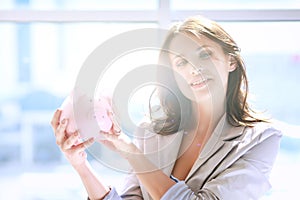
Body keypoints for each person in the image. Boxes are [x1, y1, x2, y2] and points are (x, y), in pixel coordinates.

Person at [51, 15, 282, 200]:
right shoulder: (151, 132)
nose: (194, 69)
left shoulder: (261, 140)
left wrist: (130, 151)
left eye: (205, 55)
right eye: (181, 62)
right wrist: (81, 166)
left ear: (231, 61)